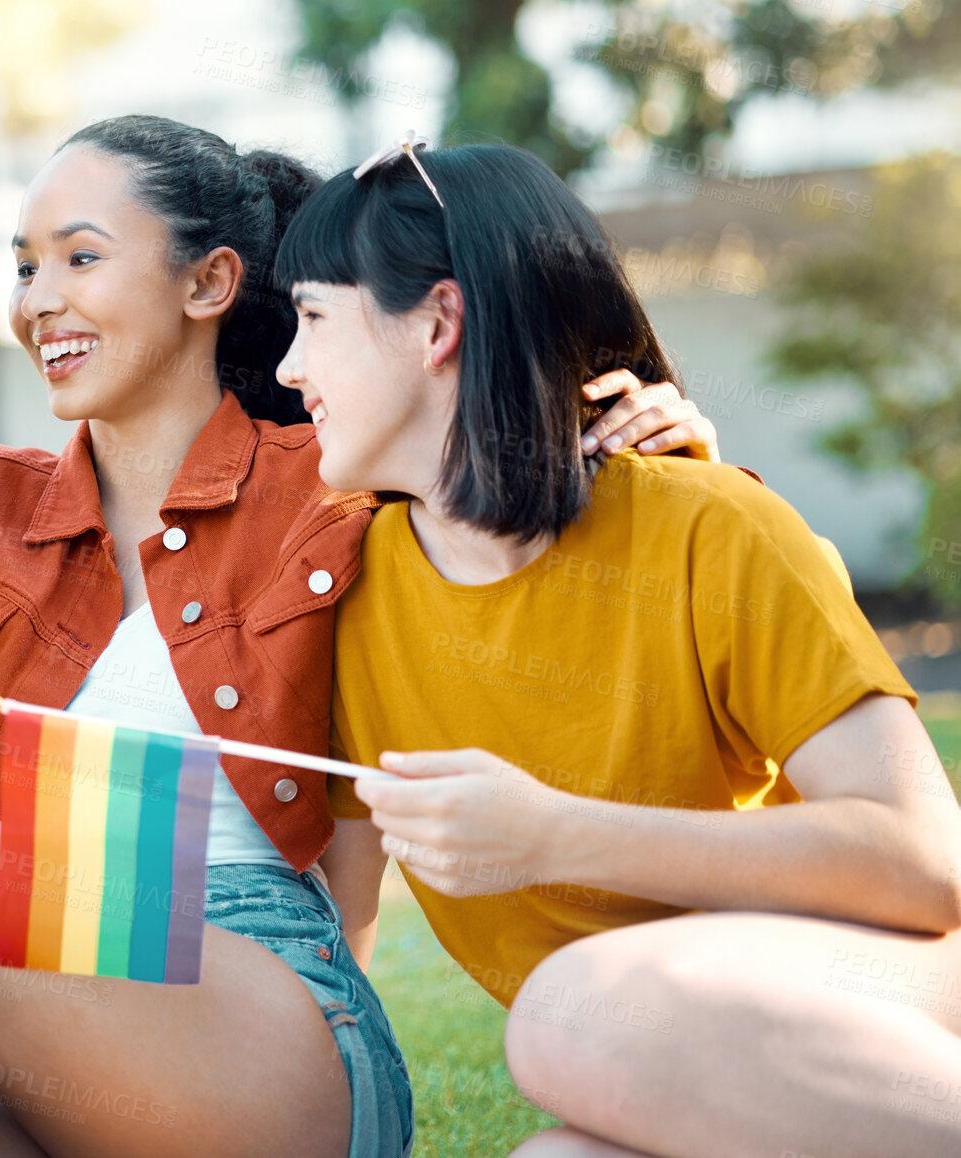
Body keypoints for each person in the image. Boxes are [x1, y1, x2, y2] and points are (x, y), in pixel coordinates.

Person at [0, 117, 720, 1158]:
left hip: (266, 1023)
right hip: (72, 1026)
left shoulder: (336, 488)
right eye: (23, 268)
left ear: (208, 283)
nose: (37, 302)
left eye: (80, 258)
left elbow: (551, 548)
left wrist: (667, 463)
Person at [276, 138, 961, 1157]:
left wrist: (551, 832)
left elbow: (925, 865)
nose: (288, 367)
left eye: (313, 317)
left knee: (573, 1012)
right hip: (640, 1057)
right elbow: (345, 950)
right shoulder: (346, 601)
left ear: (435, 322)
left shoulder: (707, 525)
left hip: (881, 982)